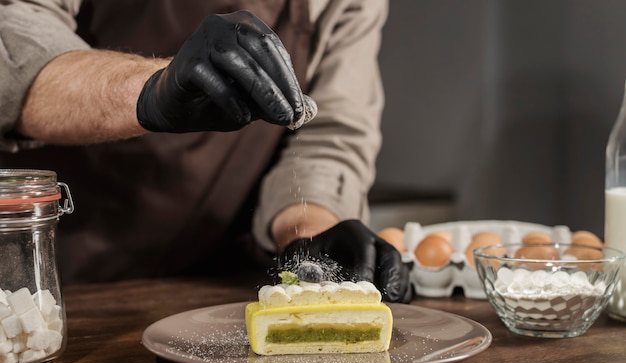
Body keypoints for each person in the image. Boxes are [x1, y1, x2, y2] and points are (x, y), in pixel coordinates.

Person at [0, 0, 411, 302]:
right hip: (38, 279)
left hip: (211, 287)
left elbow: (327, 134)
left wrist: (309, 237)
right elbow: (12, 45)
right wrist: (150, 88)